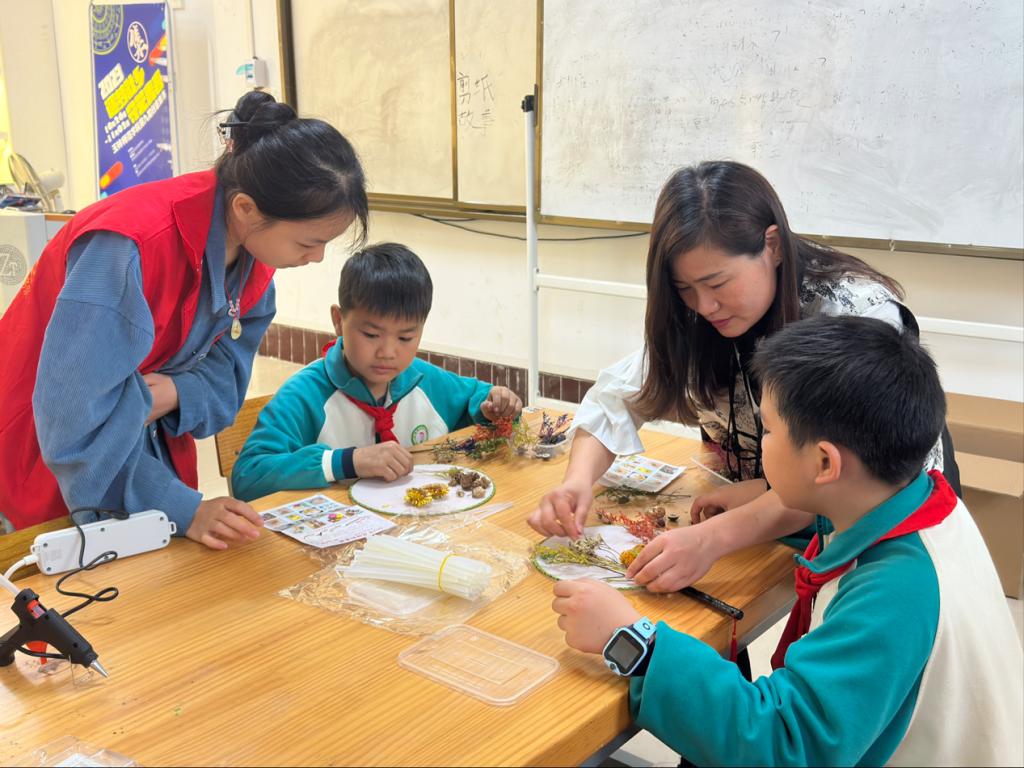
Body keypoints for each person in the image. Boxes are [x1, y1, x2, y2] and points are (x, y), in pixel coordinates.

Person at [551, 315, 1023, 767]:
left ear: (824, 464)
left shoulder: (895, 592)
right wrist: (759, 497)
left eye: (769, 430)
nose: (762, 442)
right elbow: (838, 518)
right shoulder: (921, 501)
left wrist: (633, 642)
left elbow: (785, 747)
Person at [528, 160, 961, 592]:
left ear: (772, 246)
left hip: (880, 539)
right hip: (782, 509)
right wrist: (577, 483)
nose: (704, 306)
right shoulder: (699, 315)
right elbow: (617, 397)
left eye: (718, 283)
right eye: (685, 289)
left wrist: (712, 538)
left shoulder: (852, 317)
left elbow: (842, 476)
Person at [0, 91, 368, 551]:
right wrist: (180, 507)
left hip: (143, 453)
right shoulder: (129, 246)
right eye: (308, 243)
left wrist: (176, 392)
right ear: (246, 209)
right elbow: (73, 421)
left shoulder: (255, 259)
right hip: (44, 459)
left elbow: (228, 382)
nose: (317, 258)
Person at [230, 242, 522, 501]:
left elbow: (475, 398)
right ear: (338, 321)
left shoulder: (423, 379)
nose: (388, 352)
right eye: (371, 335)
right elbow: (248, 476)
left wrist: (495, 405)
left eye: (405, 337)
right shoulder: (305, 395)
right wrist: (347, 462)